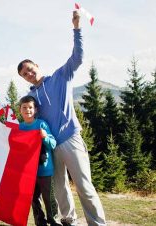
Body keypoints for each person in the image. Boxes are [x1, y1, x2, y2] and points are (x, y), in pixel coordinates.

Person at [17, 11, 106, 226]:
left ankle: (97, 223)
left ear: (36, 65)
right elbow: (24, 119)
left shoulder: (60, 76)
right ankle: (69, 220)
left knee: (84, 186)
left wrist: (77, 28)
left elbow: (78, 58)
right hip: (50, 146)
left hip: (71, 139)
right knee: (60, 187)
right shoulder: (32, 97)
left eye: (30, 69)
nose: (29, 74)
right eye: (24, 74)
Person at [18, 96, 60, 226]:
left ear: (35, 109)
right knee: (34, 198)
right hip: (28, 172)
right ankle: (40, 222)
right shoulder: (19, 128)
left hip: (45, 170)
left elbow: (52, 144)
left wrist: (45, 137)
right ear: (20, 110)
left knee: (49, 198)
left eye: (30, 107)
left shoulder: (41, 124)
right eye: (24, 107)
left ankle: (54, 221)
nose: (27, 110)